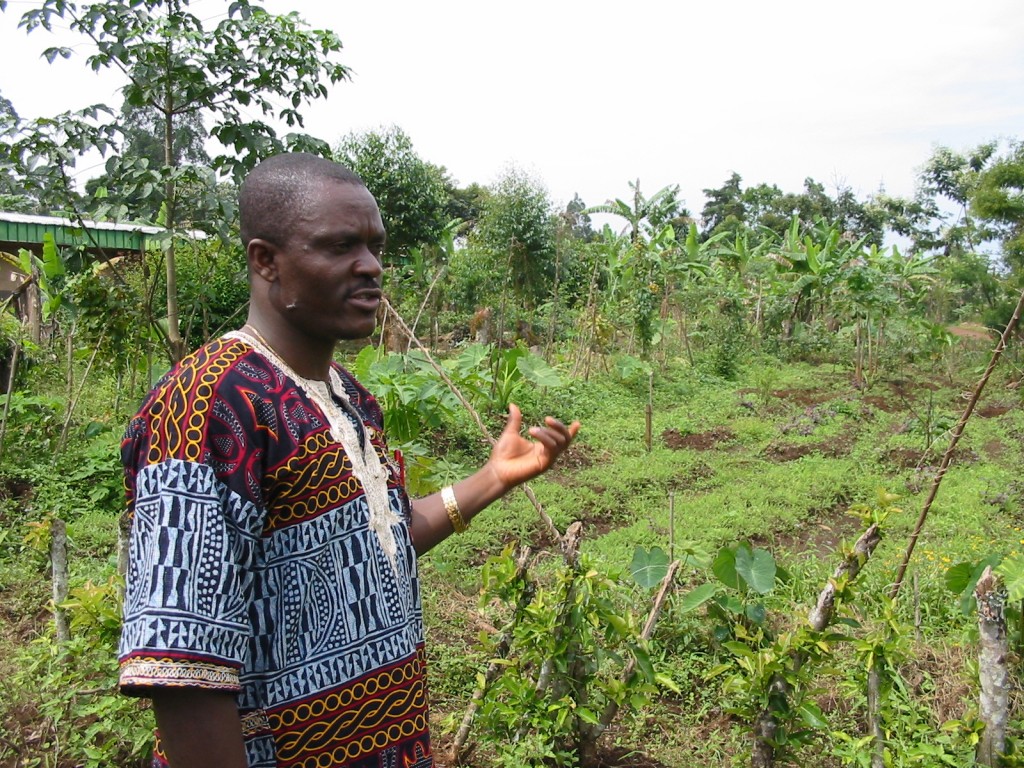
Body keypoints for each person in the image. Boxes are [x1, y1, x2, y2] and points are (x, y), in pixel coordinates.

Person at [118, 153, 580, 768]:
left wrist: (493, 476)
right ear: (267, 261)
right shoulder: (209, 403)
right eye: (340, 246)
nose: (371, 268)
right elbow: (181, 667)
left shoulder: (351, 398)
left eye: (374, 246)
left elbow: (378, 543)